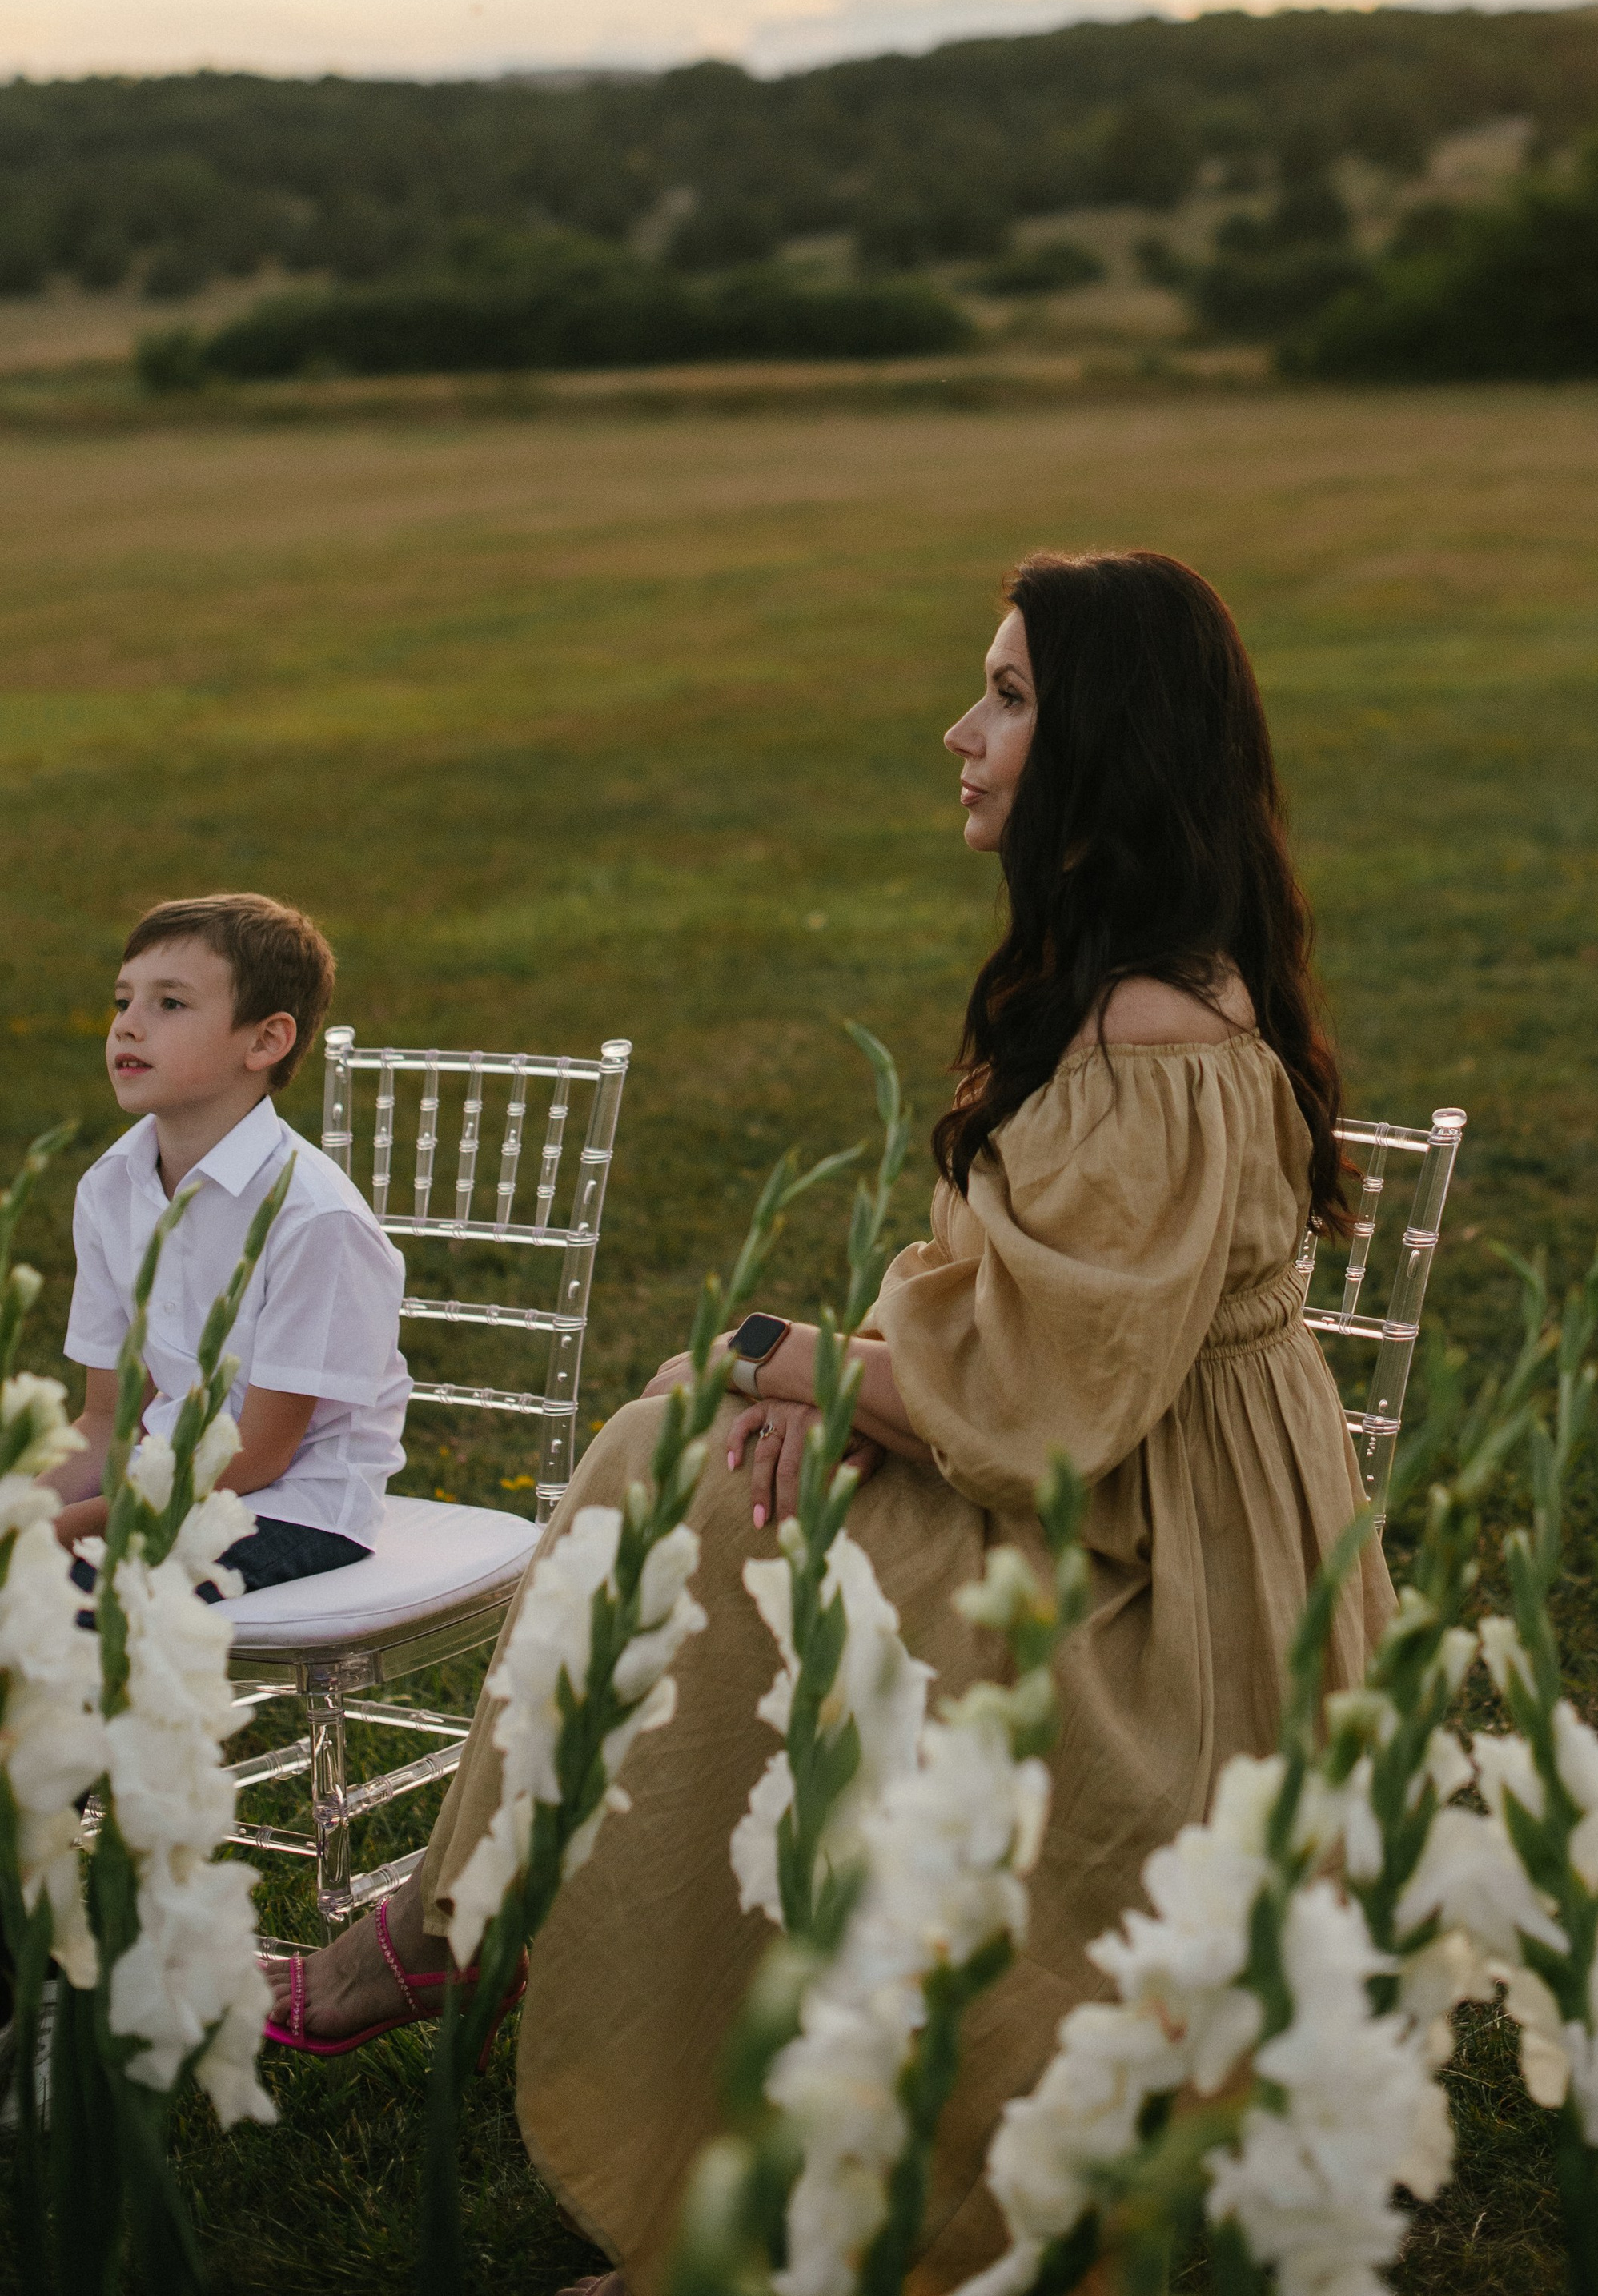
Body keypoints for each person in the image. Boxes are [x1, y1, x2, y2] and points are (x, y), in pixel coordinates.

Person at [263, 552, 1397, 2296]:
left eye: (1009, 696)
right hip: (1101, 1473)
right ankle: (462, 1906)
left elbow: (1050, 1405)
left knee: (679, 1463)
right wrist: (840, 1377)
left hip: (1157, 1586)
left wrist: (793, 1356)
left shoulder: (1155, 1025)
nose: (961, 731)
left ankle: (465, 1922)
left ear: (1107, 742)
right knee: (692, 1449)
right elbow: (1012, 1306)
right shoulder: (1118, 985)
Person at [53, 893, 410, 1601]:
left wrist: (57, 1530)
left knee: (57, 1589)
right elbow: (105, 1418)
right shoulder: (109, 1190)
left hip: (291, 1506)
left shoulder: (314, 1216)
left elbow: (258, 1456)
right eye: (124, 1000)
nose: (127, 1024)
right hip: (163, 1488)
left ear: (265, 1041)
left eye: (170, 1004)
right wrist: (23, 1508)